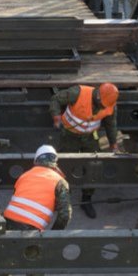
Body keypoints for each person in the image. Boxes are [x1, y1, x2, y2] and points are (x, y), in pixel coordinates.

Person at [0, 145, 71, 276]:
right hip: (31, 230)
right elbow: (65, 215)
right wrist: (54, 235)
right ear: (55, 162)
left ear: (36, 160)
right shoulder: (59, 181)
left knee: (5, 256)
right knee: (34, 269)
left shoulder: (25, 175)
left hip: (8, 222)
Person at [49, 83, 119, 218]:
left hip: (90, 137)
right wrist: (56, 116)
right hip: (69, 136)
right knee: (64, 165)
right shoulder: (78, 93)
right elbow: (56, 99)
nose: (102, 107)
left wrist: (113, 143)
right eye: (101, 104)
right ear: (97, 96)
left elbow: (111, 124)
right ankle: (61, 197)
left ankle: (86, 199)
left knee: (93, 166)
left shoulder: (110, 105)